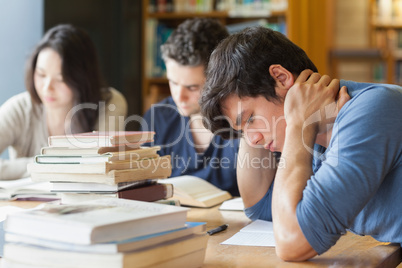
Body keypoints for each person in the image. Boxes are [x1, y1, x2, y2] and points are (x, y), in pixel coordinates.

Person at [200, 26, 402, 261]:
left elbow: (293, 243)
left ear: (282, 78)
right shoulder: (315, 141)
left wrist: (297, 124)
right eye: (242, 131)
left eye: (251, 118)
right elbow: (261, 207)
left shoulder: (371, 110)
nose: (252, 139)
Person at [0, 24, 128, 180]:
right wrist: (47, 165)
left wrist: (35, 167)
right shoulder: (20, 109)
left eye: (61, 79)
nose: (47, 88)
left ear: (82, 79)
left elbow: (100, 165)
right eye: (41, 75)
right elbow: (79, 166)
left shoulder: (110, 102)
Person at [141, 18, 240, 196]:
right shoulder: (158, 119)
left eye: (192, 87)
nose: (179, 97)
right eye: (173, 82)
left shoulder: (242, 121)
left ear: (221, 79)